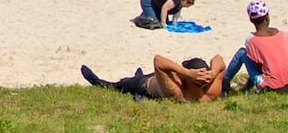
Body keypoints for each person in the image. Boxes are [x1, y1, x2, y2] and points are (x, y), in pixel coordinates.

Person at [222, 1, 288, 93]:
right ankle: (246, 87)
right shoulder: (283, 34)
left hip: (271, 85)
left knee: (242, 53)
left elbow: (258, 65)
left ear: (251, 20)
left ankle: (224, 82)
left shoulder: (251, 40)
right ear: (267, 17)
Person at [81, 55, 227, 102]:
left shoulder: (181, 92)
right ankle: (99, 81)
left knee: (125, 83)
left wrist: (211, 73)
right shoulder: (210, 90)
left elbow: (158, 60)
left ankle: (100, 82)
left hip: (151, 83)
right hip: (154, 80)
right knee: (126, 82)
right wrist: (210, 73)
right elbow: (158, 60)